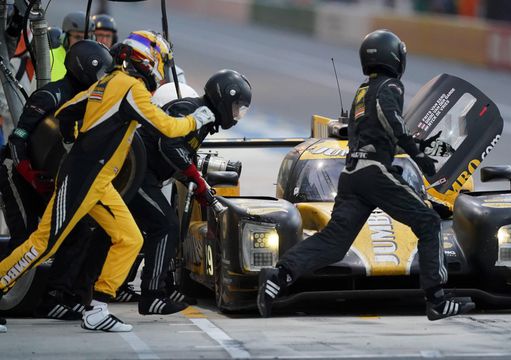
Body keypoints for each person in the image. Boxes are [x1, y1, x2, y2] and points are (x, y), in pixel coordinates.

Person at [0, 30, 215, 333]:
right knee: (43, 245)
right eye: (159, 60)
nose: (161, 67)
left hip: (96, 180)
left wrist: (75, 135)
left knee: (130, 238)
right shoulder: (130, 88)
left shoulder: (106, 82)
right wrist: (198, 119)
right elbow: (167, 127)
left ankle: (97, 309)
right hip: (84, 178)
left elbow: (67, 111)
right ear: (147, 59)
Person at [256, 29, 476, 321]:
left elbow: (374, 131)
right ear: (395, 57)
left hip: (351, 175)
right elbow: (393, 121)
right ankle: (436, 299)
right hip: (374, 173)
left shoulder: (362, 91)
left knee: (333, 243)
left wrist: (411, 144)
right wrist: (419, 156)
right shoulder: (391, 87)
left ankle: (278, 275)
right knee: (429, 222)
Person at [0, 40, 113, 321]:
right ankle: (6, 299)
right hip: (15, 171)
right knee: (26, 236)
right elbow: (17, 141)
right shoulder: (50, 97)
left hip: (47, 179)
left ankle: (55, 297)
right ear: (85, 69)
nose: (103, 81)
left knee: (76, 231)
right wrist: (34, 178)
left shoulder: (89, 102)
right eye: (100, 74)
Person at [131, 70, 251, 315]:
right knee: (165, 226)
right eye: (237, 106)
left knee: (168, 226)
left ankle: (163, 287)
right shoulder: (191, 110)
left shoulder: (204, 118)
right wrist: (197, 178)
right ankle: (152, 296)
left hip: (148, 175)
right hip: (136, 173)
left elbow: (182, 155)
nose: (238, 114)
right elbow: (169, 145)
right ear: (224, 100)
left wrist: (198, 186)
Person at [50, 11, 95, 82]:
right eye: (78, 37)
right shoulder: (48, 58)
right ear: (64, 38)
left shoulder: (96, 62)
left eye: (87, 37)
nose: (82, 42)